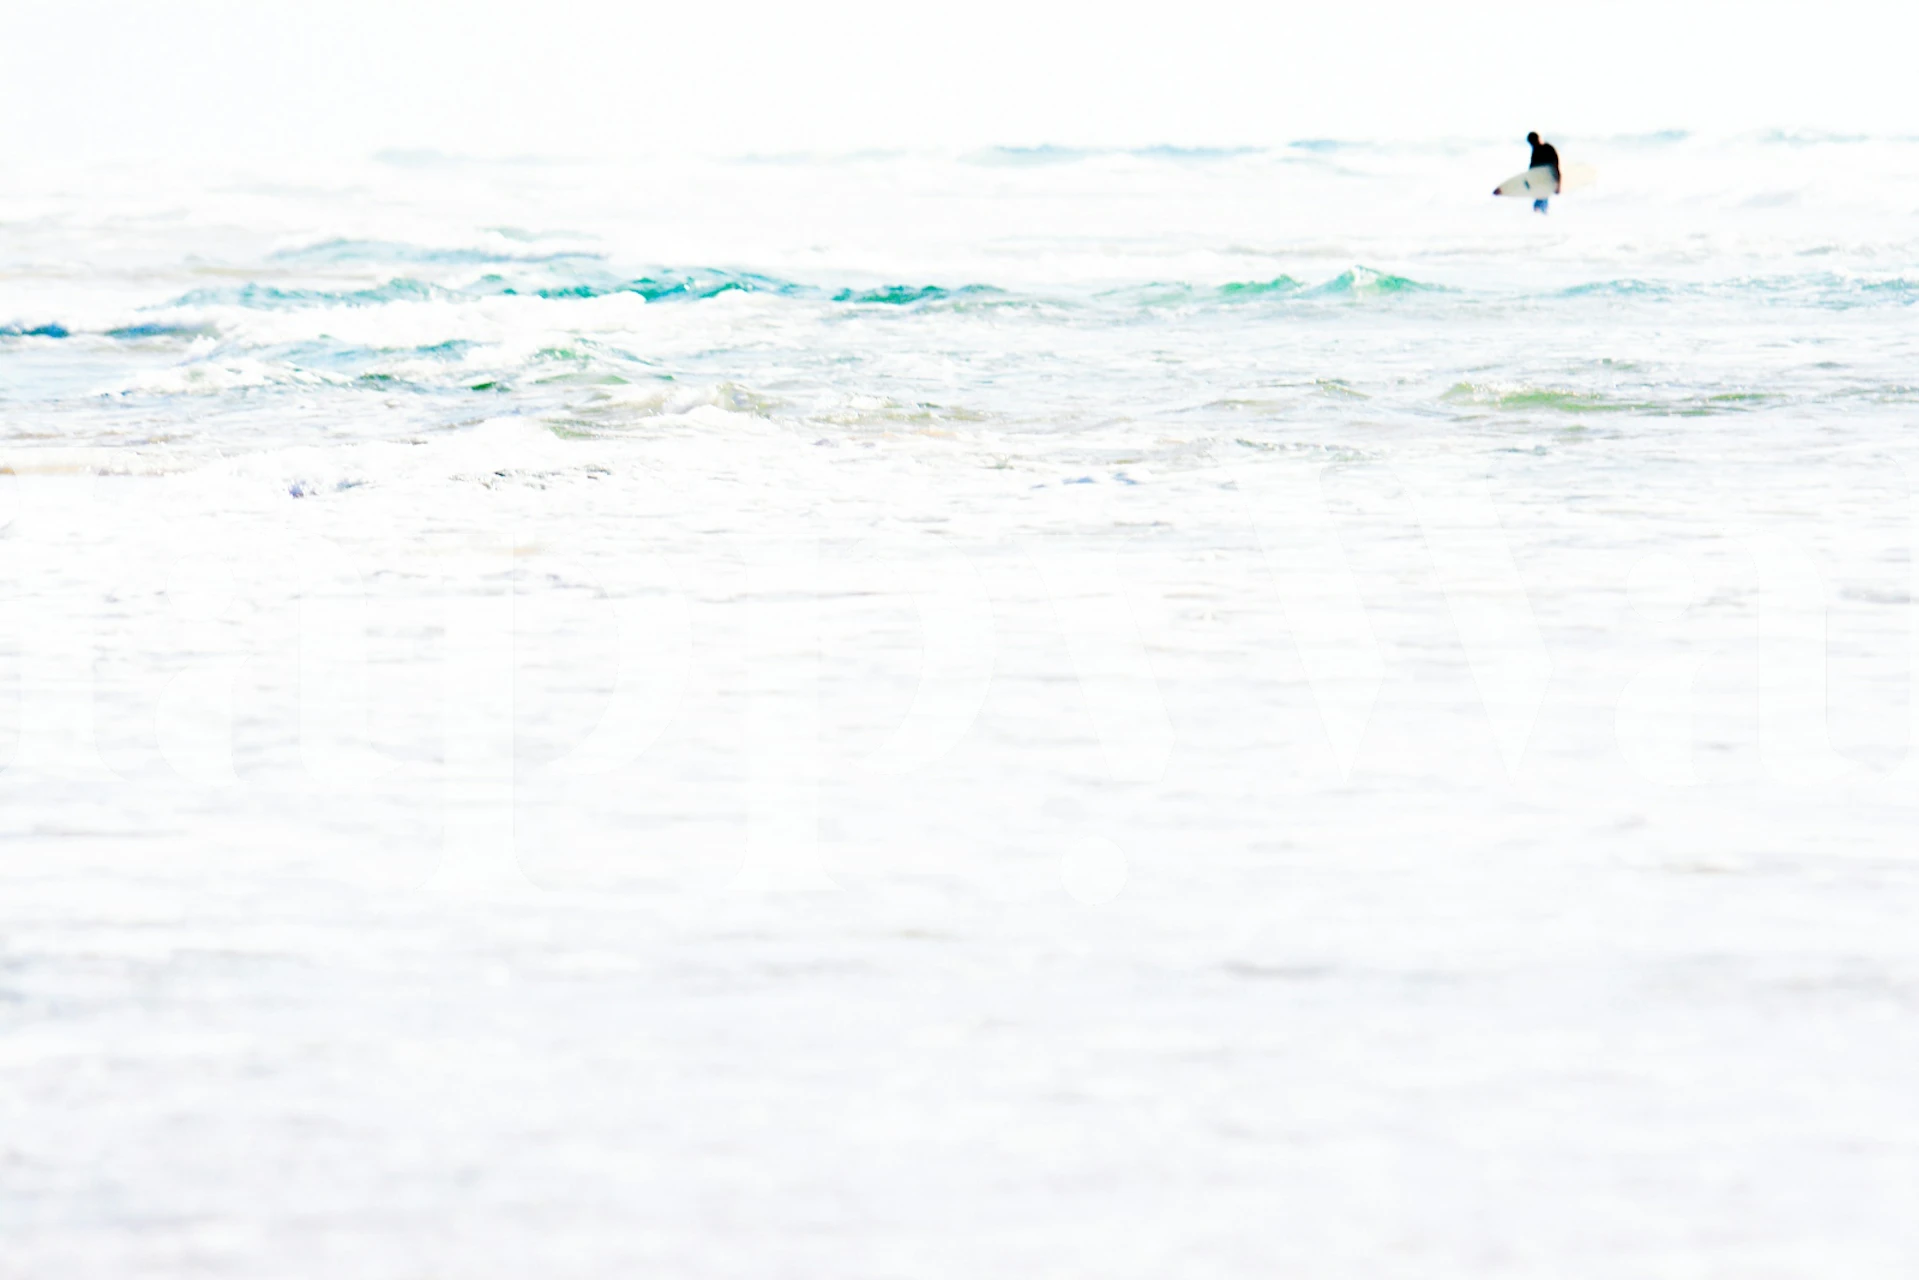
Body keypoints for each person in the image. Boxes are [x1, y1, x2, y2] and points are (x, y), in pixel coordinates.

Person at [1527, 132, 1561, 214]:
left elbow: (1556, 167)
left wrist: (1558, 185)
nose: (1532, 144)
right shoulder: (1535, 151)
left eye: (1533, 142)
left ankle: (1546, 220)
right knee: (1538, 206)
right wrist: (1528, 181)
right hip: (1540, 183)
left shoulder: (1548, 149)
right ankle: (1544, 219)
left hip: (1548, 181)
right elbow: (1532, 168)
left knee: (1540, 205)